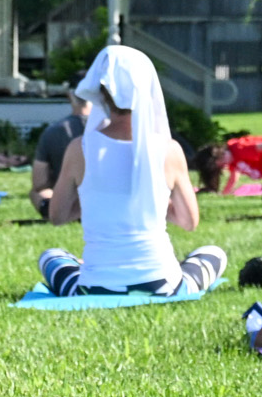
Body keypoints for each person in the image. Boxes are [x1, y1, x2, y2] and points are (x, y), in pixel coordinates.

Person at [39, 45, 228, 296]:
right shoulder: (169, 150)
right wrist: (150, 199)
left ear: (102, 93)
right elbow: (189, 222)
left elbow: (58, 215)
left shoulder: (79, 149)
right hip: (162, 284)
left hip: (94, 287)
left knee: (51, 256)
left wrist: (98, 200)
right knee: (214, 254)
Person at [28, 90, 91, 215]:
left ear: (70, 96)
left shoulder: (54, 131)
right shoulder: (110, 129)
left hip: (68, 207)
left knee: (36, 193)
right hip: (108, 205)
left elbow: (39, 182)